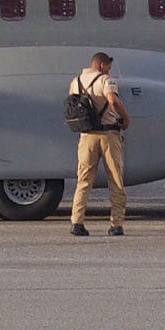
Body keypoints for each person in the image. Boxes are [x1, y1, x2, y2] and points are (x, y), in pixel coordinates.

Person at [68, 52, 130, 237]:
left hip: (86, 136)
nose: (110, 69)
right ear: (102, 64)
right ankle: (116, 224)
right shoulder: (107, 81)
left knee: (84, 180)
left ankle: (76, 222)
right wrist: (125, 118)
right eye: (109, 65)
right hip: (108, 134)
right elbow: (113, 101)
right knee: (116, 179)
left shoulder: (76, 82)